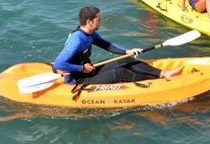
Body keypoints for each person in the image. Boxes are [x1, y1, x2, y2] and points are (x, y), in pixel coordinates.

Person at [52, 6, 181, 85]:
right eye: (98, 19)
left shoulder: (91, 34)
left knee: (127, 59)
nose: (101, 21)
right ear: (89, 22)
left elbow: (108, 46)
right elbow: (59, 64)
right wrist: (82, 68)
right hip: (79, 78)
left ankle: (162, 73)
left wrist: (128, 51)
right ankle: (156, 83)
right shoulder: (77, 39)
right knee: (121, 73)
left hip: (90, 69)